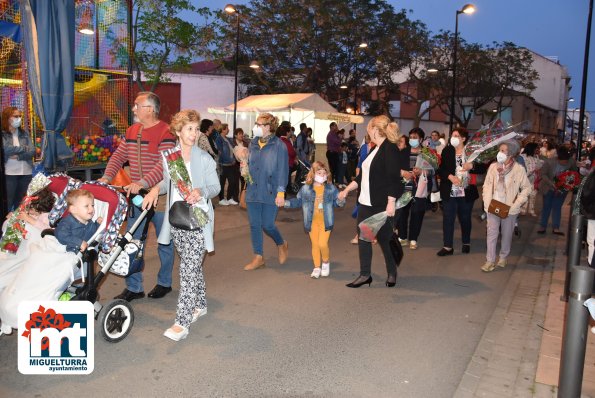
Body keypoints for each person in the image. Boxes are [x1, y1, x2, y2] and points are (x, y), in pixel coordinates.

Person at [142, 109, 220, 341]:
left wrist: (200, 191)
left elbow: (215, 188)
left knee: (187, 270)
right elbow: (168, 185)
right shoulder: (169, 157)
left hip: (198, 220)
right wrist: (156, 188)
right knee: (191, 265)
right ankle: (201, 304)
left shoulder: (205, 158)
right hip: (177, 219)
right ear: (178, 131)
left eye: (196, 129)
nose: (194, 134)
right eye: (189, 129)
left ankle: (182, 322)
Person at [99, 91, 176, 302]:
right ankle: (134, 287)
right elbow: (119, 155)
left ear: (150, 109)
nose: (133, 108)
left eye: (137, 105)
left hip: (159, 196)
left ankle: (164, 283)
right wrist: (106, 177)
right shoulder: (132, 130)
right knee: (131, 242)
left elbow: (164, 166)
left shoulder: (166, 132)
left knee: (164, 243)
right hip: (137, 197)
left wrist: (141, 183)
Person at [338, 115, 405, 288]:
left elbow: (393, 178)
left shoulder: (389, 149)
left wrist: (391, 202)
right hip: (366, 204)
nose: (367, 131)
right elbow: (362, 177)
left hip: (381, 205)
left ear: (375, 129)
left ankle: (392, 272)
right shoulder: (376, 149)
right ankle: (365, 275)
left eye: (368, 128)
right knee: (364, 239)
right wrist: (346, 190)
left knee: (385, 239)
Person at [243, 113, 289, 271]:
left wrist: (281, 192)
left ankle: (281, 244)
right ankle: (258, 257)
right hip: (253, 190)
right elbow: (250, 165)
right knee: (255, 225)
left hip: (270, 191)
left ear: (268, 127)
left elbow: (283, 170)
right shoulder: (253, 144)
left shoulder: (279, 145)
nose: (255, 127)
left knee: (268, 225)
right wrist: (244, 166)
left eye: (259, 124)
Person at [285, 161, 344, 278]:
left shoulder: (331, 188)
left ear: (327, 175)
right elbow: (298, 201)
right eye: (319, 172)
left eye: (324, 173)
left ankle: (325, 262)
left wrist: (341, 199)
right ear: (313, 173)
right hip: (311, 222)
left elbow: (337, 203)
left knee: (322, 244)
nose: (322, 175)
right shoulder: (306, 189)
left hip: (326, 222)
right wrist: (286, 203)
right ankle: (317, 266)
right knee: (315, 245)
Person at [480, 141, 531, 272]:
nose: (500, 153)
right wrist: (486, 202)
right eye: (500, 150)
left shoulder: (518, 169)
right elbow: (486, 185)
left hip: (509, 207)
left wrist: (516, 205)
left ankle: (503, 257)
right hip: (493, 205)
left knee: (506, 234)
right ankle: (489, 260)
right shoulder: (492, 167)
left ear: (511, 154)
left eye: (503, 151)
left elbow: (526, 188)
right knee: (491, 234)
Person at [437, 128, 484, 256]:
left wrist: (472, 166)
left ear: (463, 138)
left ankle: (466, 242)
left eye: (456, 136)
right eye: (452, 135)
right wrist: (450, 176)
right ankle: (448, 246)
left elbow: (482, 168)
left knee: (465, 218)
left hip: (466, 191)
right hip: (450, 190)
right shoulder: (447, 151)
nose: (453, 138)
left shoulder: (471, 152)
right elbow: (440, 169)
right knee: (448, 218)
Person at [397, 127, 432, 250]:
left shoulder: (426, 153)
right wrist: (404, 173)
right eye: (411, 137)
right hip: (404, 187)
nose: (412, 140)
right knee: (402, 212)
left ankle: (413, 238)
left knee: (417, 213)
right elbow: (396, 168)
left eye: (415, 137)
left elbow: (432, 171)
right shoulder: (403, 152)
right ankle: (402, 236)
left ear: (421, 139)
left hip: (419, 189)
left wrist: (422, 171)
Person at [537, 145, 576, 235]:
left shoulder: (571, 161)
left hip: (562, 189)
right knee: (547, 206)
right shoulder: (549, 162)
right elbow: (543, 174)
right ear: (558, 158)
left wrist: (568, 181)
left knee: (557, 207)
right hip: (548, 187)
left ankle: (556, 227)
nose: (564, 164)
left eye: (566, 162)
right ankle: (543, 226)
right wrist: (552, 183)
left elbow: (574, 172)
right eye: (562, 162)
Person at [2, 107, 34, 211]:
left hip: (26, 173)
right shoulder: (3, 133)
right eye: (15, 116)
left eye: (20, 116)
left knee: (21, 204)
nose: (19, 118)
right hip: (9, 174)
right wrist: (24, 148)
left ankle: (17, 226)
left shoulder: (24, 133)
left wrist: (19, 156)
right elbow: (5, 149)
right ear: (7, 118)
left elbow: (32, 151)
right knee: (7, 202)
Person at [55, 189, 102, 253]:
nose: (92, 209)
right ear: (74, 210)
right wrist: (79, 242)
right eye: (86, 206)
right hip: (63, 251)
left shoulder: (89, 221)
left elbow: (91, 232)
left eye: (92, 205)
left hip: (80, 252)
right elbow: (61, 234)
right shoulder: (67, 222)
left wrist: (97, 224)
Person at [216, 123, 239, 206]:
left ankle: (229, 198)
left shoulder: (228, 139)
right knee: (221, 183)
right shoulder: (219, 139)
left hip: (231, 164)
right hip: (223, 164)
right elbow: (220, 152)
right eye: (226, 128)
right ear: (222, 130)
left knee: (232, 182)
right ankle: (221, 199)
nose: (228, 129)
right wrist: (230, 160)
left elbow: (233, 149)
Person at [520, 142, 544, 216]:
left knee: (533, 194)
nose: (538, 150)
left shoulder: (536, 157)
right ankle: (523, 209)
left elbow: (539, 165)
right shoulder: (522, 157)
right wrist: (533, 169)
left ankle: (531, 210)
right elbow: (524, 170)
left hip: (534, 179)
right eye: (536, 148)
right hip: (525, 179)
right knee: (525, 194)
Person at [276, 122, 297, 195]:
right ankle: (284, 194)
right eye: (290, 131)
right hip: (287, 163)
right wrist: (294, 154)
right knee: (285, 180)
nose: (291, 133)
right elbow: (291, 152)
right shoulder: (285, 141)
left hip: (284, 163)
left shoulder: (279, 140)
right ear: (287, 132)